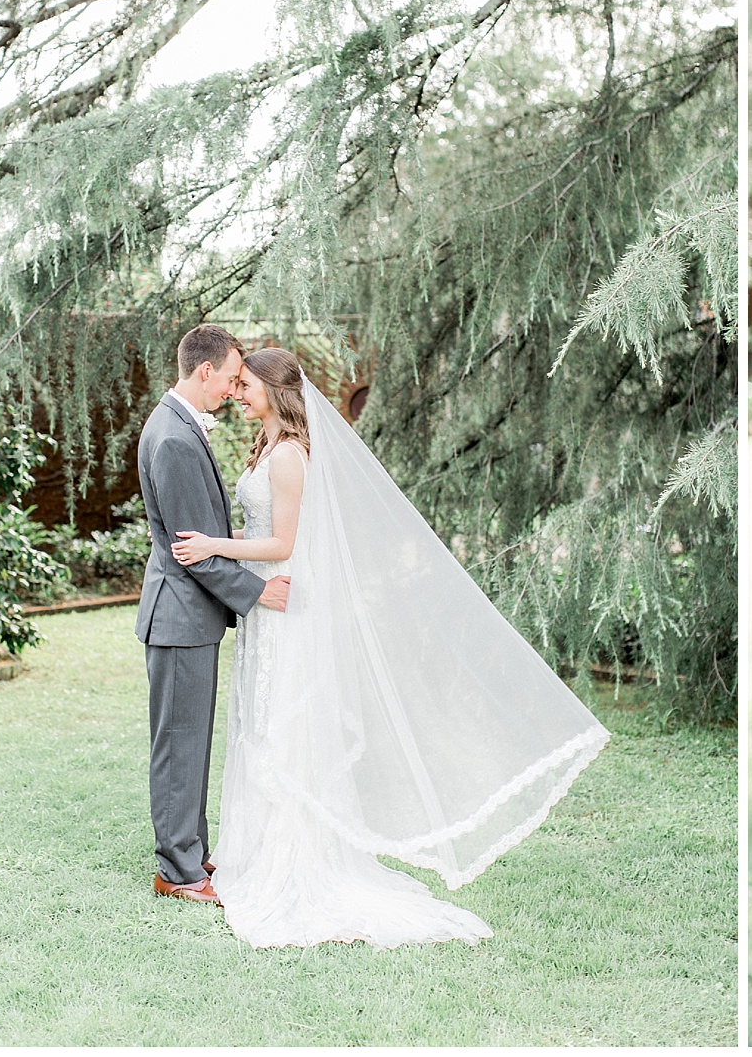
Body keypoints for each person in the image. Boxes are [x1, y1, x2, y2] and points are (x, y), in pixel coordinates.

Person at [168, 345, 610, 947]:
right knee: (262, 725)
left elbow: (282, 544)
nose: (238, 392)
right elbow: (263, 533)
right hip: (265, 612)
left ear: (276, 390)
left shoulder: (292, 455)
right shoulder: (266, 447)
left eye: (247, 385)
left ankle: (301, 861)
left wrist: (216, 548)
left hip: (286, 602)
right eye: (236, 383)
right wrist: (229, 552)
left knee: (287, 727)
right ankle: (260, 851)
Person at [136, 324, 290, 905]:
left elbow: (204, 539)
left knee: (190, 739)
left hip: (187, 617)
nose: (232, 389)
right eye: (230, 378)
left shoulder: (175, 425)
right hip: (178, 616)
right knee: (178, 743)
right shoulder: (174, 437)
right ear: (205, 371)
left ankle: (190, 851)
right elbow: (189, 547)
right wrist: (256, 592)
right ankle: (177, 873)